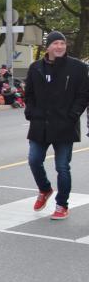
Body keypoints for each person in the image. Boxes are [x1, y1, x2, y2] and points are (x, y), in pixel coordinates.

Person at [25, 32, 89, 220]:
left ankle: (62, 205)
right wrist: (31, 112)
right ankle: (45, 189)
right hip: (40, 124)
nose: (60, 46)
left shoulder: (77, 67)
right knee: (34, 160)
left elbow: (84, 95)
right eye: (56, 43)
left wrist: (73, 114)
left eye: (62, 43)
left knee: (62, 167)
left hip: (65, 125)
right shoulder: (36, 68)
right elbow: (29, 94)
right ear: (48, 47)